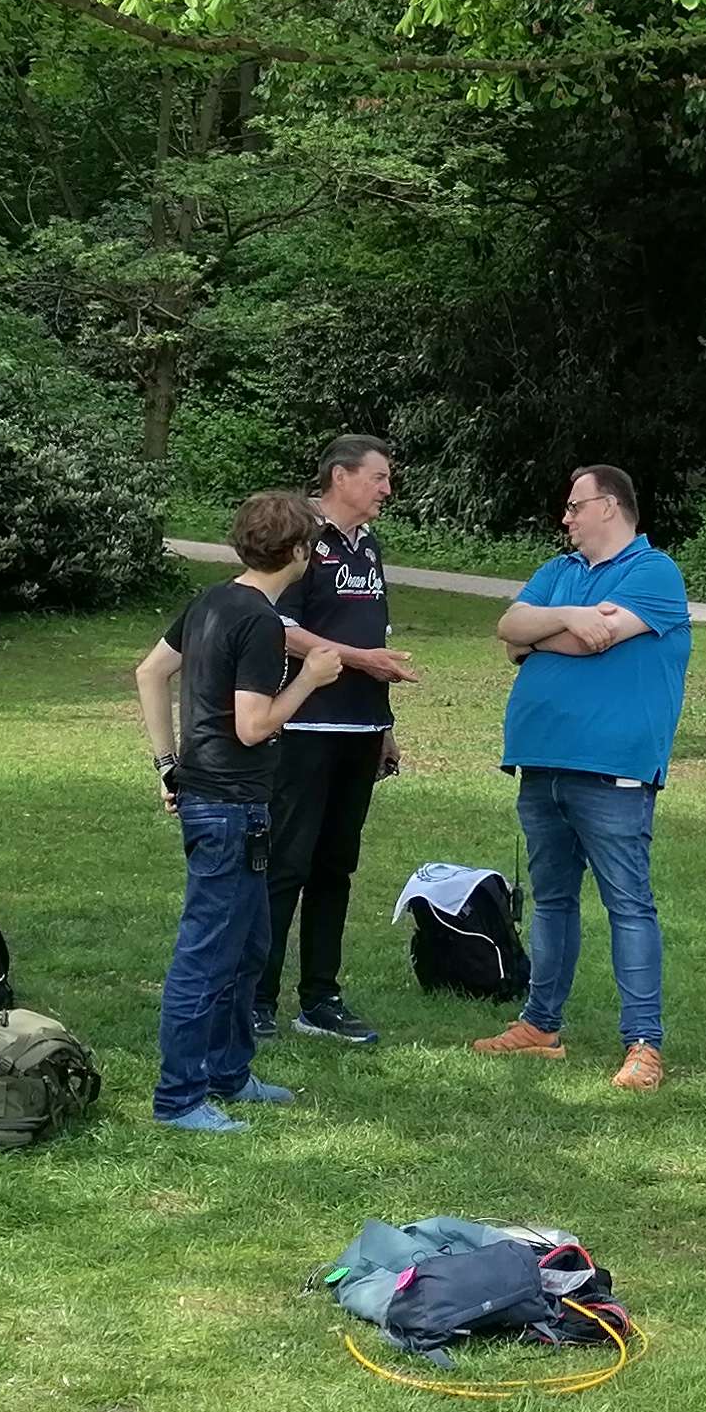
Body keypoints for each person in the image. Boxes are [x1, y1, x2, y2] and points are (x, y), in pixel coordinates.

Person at [474, 463, 693, 1090]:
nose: (565, 517)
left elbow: (589, 642)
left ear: (610, 506)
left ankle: (644, 1045)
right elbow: (508, 628)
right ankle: (540, 1024)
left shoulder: (654, 572)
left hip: (613, 769)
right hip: (541, 763)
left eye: (575, 506)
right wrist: (570, 614)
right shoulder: (560, 571)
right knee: (551, 901)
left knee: (628, 904)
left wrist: (543, 633)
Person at [132, 492, 347, 1132]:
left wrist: (168, 764)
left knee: (248, 946)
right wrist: (310, 677)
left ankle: (228, 1073)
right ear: (299, 551)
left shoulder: (212, 600)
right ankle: (178, 1098)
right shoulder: (259, 622)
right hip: (228, 808)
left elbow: (150, 673)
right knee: (206, 955)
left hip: (226, 802)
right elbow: (253, 726)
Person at [257, 432, 419, 1048]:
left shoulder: (368, 544)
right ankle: (256, 998)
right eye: (379, 477)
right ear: (341, 476)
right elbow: (278, 626)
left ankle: (320, 999)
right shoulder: (301, 536)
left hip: (361, 728)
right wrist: (358, 658)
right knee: (286, 864)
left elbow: (370, 632)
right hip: (304, 726)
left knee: (336, 868)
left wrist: (385, 724)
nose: (387, 489)